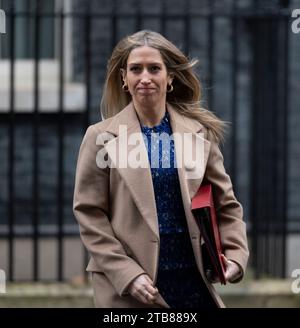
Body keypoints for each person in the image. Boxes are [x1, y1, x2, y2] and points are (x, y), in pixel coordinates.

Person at [73, 30, 249, 308]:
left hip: (193, 283)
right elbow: (90, 214)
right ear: (124, 79)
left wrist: (236, 257)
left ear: (169, 78)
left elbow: (226, 204)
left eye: (154, 68)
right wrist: (128, 275)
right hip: (131, 290)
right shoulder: (100, 137)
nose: (145, 77)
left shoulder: (200, 134)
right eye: (135, 69)